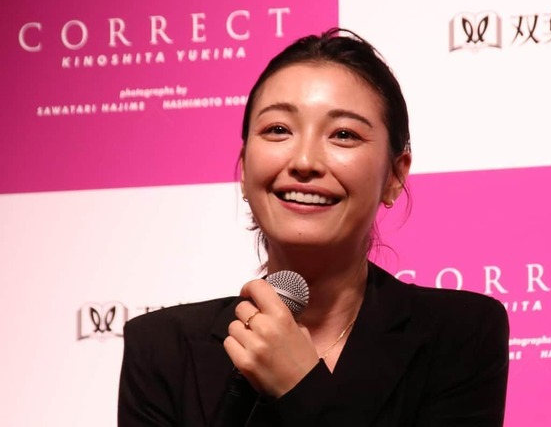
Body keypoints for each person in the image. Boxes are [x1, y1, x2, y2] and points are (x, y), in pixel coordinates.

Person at [118, 28, 509, 426]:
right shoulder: (161, 349)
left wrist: (300, 387)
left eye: (343, 135)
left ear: (394, 175)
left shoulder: (460, 334)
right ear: (245, 168)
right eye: (278, 130)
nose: (304, 161)